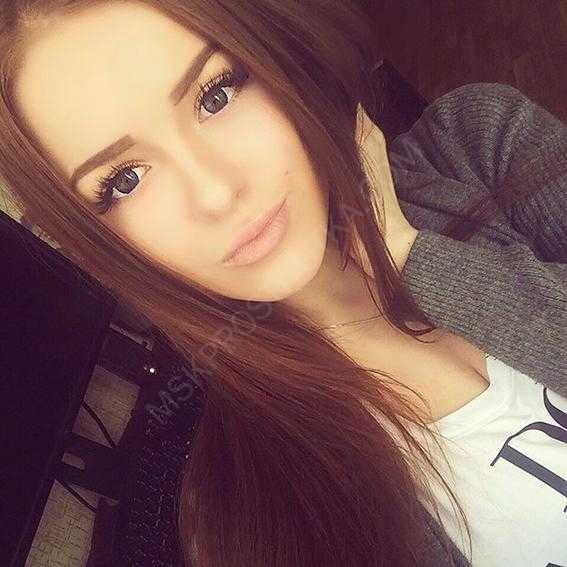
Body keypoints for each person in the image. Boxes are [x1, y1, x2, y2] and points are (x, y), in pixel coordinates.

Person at [0, 1, 565, 565]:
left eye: (215, 95)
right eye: (125, 180)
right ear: (98, 238)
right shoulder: (251, 519)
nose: (216, 193)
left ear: (279, 57)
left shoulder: (480, 143)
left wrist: (408, 254)